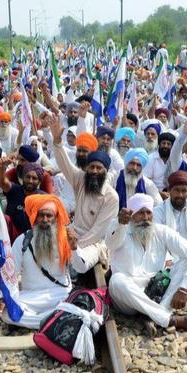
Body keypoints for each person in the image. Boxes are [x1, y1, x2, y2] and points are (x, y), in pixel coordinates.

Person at [107, 194, 187, 333]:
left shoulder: (161, 231)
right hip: (128, 299)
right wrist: (118, 223)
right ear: (132, 215)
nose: (146, 218)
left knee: (184, 262)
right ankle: (169, 319)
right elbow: (109, 243)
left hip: (156, 293)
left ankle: (153, 316)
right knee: (116, 280)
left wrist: (184, 288)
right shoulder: (122, 229)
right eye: (140, 213)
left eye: (149, 213)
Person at [48, 115, 119, 274]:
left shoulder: (111, 197)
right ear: (86, 169)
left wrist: (73, 245)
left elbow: (98, 232)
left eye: (98, 168)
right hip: (73, 232)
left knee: (80, 264)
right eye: (91, 167)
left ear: (105, 172)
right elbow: (64, 163)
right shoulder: (80, 180)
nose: (94, 171)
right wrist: (57, 141)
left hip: (94, 243)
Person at [0, 195, 73, 329]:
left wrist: (75, 248)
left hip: (59, 294)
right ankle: (53, 321)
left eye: (49, 216)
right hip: (31, 296)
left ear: (55, 218)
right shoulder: (22, 241)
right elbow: (10, 274)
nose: (45, 220)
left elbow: (81, 268)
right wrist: (3, 300)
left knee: (73, 304)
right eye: (41, 215)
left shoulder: (65, 240)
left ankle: (42, 321)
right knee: (6, 313)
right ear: (35, 216)